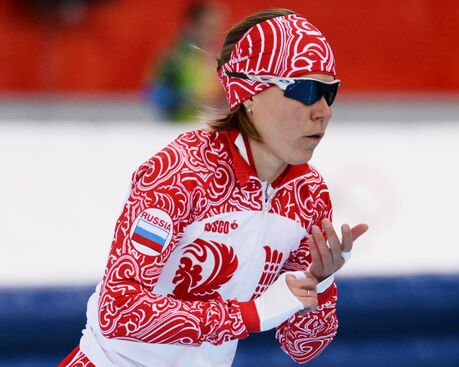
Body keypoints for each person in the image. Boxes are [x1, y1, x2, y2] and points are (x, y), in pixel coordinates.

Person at [59, 8, 368, 367]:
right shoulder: (182, 171)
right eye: (306, 89)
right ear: (249, 93)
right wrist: (248, 315)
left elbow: (301, 348)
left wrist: (322, 283)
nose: (323, 111)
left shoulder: (307, 195)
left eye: (330, 91)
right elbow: (120, 309)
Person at [149, 1, 225, 122]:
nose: (213, 34)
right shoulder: (177, 56)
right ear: (192, 25)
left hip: (204, 125)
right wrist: (187, 99)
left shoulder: (216, 54)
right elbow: (155, 95)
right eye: (208, 27)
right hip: (177, 126)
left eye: (216, 28)